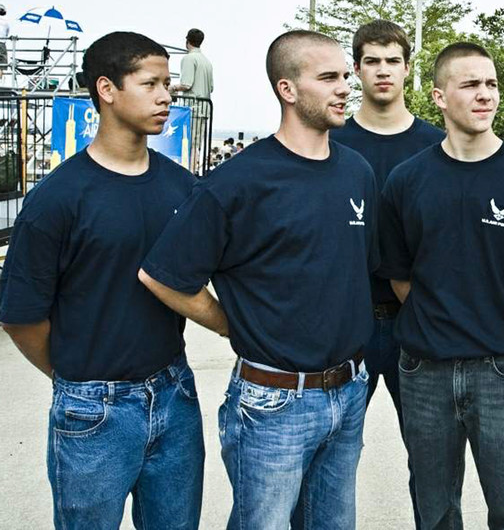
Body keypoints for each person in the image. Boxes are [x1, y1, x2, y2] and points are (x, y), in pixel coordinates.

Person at [139, 29, 378, 530]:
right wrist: (231, 325)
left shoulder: (357, 171)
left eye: (345, 76)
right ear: (287, 90)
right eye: (328, 77)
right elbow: (163, 276)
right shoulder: (238, 182)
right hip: (274, 403)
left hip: (349, 390)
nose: (344, 88)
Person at [0, 32, 205, 529]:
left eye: (168, 84)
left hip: (175, 394)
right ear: (107, 89)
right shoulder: (58, 198)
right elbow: (22, 318)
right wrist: (79, 383)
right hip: (92, 410)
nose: (166, 96)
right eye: (150, 84)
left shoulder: (183, 187)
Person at [378, 42, 504, 530]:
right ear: (439, 98)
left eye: (492, 84)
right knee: (435, 513)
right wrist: (438, 320)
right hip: (424, 373)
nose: (485, 95)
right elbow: (400, 276)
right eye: (470, 85)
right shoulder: (406, 181)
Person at [323, 18, 442, 528]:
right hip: (345, 324)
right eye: (371, 61)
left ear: (408, 68)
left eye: (393, 60)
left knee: (431, 464)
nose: (382, 70)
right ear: (356, 69)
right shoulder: (330, 141)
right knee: (330, 464)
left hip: (416, 323)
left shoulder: (438, 144)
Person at [171, 28, 214, 99]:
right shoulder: (207, 61)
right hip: (206, 107)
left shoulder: (189, 58)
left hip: (193, 106)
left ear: (187, 41)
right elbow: (211, 88)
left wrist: (173, 88)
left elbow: (186, 85)